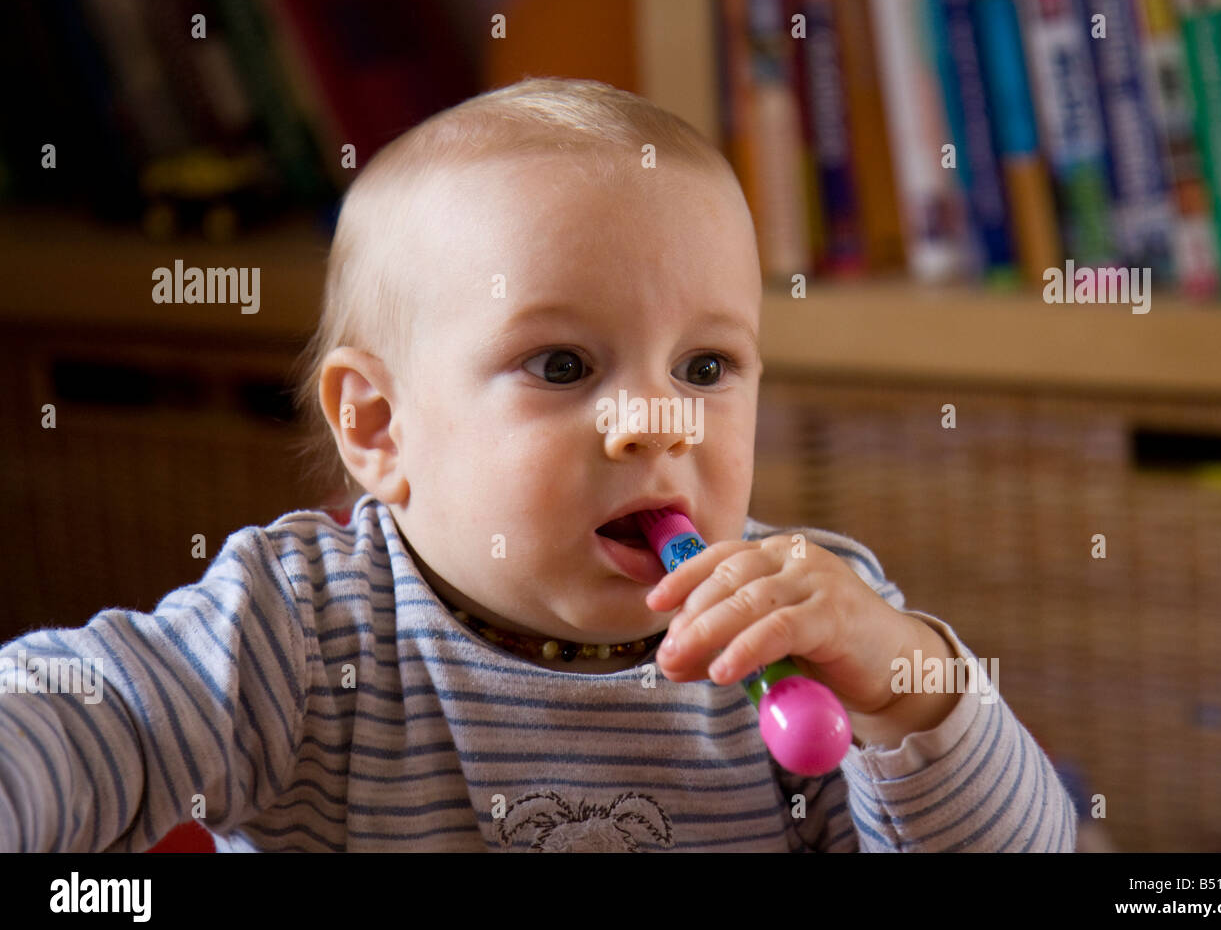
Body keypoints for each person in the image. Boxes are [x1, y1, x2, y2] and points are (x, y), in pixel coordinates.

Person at [0, 78, 1076, 852]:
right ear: (377, 426)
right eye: (562, 364)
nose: (656, 419)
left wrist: (905, 686)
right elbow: (92, 710)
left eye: (705, 364)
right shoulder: (299, 626)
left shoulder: (804, 624)